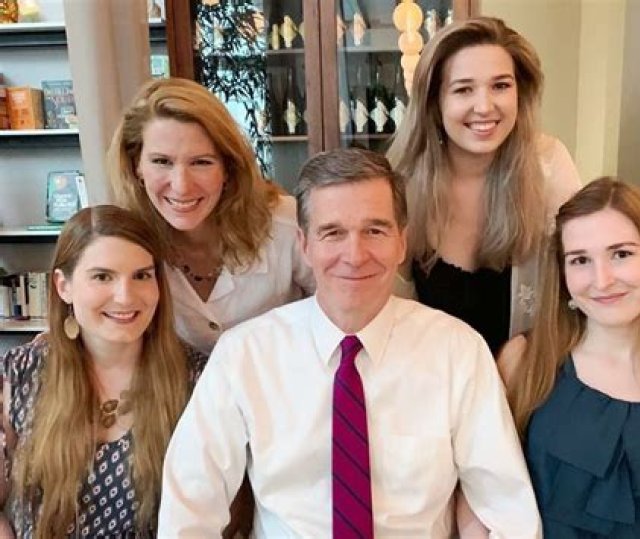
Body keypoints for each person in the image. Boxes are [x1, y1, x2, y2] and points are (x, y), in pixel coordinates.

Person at [157, 148, 541, 537]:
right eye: (333, 233)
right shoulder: (245, 355)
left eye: (375, 231)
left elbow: (509, 511)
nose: (354, 256)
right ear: (304, 245)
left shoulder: (457, 352)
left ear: (401, 242)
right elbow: (188, 509)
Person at [461, 178, 640, 537]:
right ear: (563, 275)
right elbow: (478, 495)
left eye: (621, 254)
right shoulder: (524, 364)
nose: (602, 280)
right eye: (580, 260)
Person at [0, 206, 206, 537]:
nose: (125, 297)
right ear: (63, 286)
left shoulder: (197, 379)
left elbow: (222, 511)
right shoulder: (21, 371)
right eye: (102, 277)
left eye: (141, 276)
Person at [387, 16, 581, 356]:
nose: (484, 106)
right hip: (430, 376)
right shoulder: (400, 182)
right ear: (434, 102)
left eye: (501, 86)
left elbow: (582, 283)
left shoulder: (548, 164)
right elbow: (390, 314)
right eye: (463, 89)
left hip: (529, 376)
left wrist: (526, 356)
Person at [108, 77, 314, 356]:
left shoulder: (287, 223)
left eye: (201, 162)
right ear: (137, 166)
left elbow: (346, 309)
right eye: (162, 162)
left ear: (228, 168)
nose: (181, 185)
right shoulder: (122, 240)